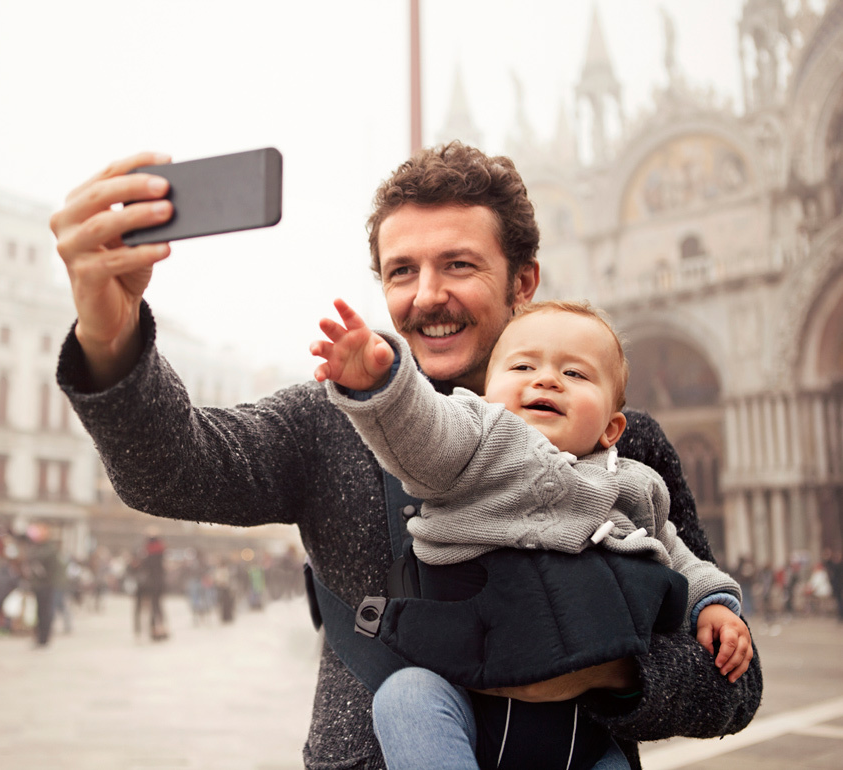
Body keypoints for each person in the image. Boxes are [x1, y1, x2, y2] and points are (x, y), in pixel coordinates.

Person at [51, 142, 762, 768]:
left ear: (523, 281)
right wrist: (107, 333)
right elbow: (174, 469)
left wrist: (611, 673)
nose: (427, 297)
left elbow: (733, 681)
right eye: (401, 272)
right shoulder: (331, 417)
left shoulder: (620, 441)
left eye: (458, 264)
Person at [312, 298, 752, 768]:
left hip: (585, 732)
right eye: (523, 366)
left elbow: (676, 555)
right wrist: (383, 386)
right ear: (482, 398)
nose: (546, 379)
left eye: (576, 375)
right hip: (467, 702)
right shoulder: (476, 446)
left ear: (611, 428)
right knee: (404, 696)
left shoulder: (636, 485)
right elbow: (421, 432)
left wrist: (714, 606)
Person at [132, 534, 169, 640]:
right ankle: (159, 629)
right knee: (157, 607)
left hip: (147, 585)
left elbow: (140, 568)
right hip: (159, 584)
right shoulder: (161, 553)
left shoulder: (147, 554)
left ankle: (144, 630)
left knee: (143, 608)